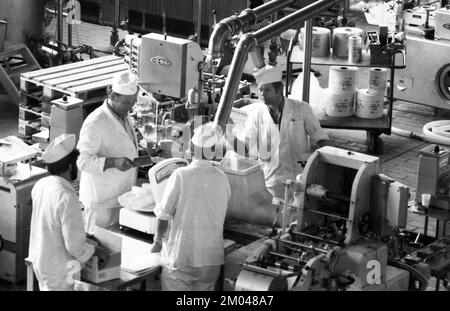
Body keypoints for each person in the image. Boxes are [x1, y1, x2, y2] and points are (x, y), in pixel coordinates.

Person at [150, 123, 231, 291]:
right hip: (210, 259)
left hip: (182, 256)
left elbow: (164, 215)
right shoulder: (222, 178)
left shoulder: (181, 175)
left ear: (192, 148)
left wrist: (157, 241)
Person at [231, 65, 329, 199]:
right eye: (260, 90)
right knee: (278, 215)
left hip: (298, 178)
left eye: (267, 90)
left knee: (298, 214)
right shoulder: (257, 115)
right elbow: (245, 149)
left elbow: (320, 138)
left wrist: (316, 166)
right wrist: (228, 135)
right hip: (271, 180)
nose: (262, 94)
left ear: (279, 90)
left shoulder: (301, 108)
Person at [28, 134, 109, 291]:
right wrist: (97, 251)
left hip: (41, 261)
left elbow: (53, 224)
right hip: (59, 270)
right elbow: (74, 245)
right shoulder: (66, 196)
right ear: (71, 166)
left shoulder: (41, 184)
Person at [77, 71, 139, 234]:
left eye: (133, 102)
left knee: (117, 249)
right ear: (113, 96)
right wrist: (113, 162)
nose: (130, 107)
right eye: (127, 103)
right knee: (99, 248)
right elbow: (83, 161)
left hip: (121, 195)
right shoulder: (96, 122)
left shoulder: (123, 115)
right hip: (102, 202)